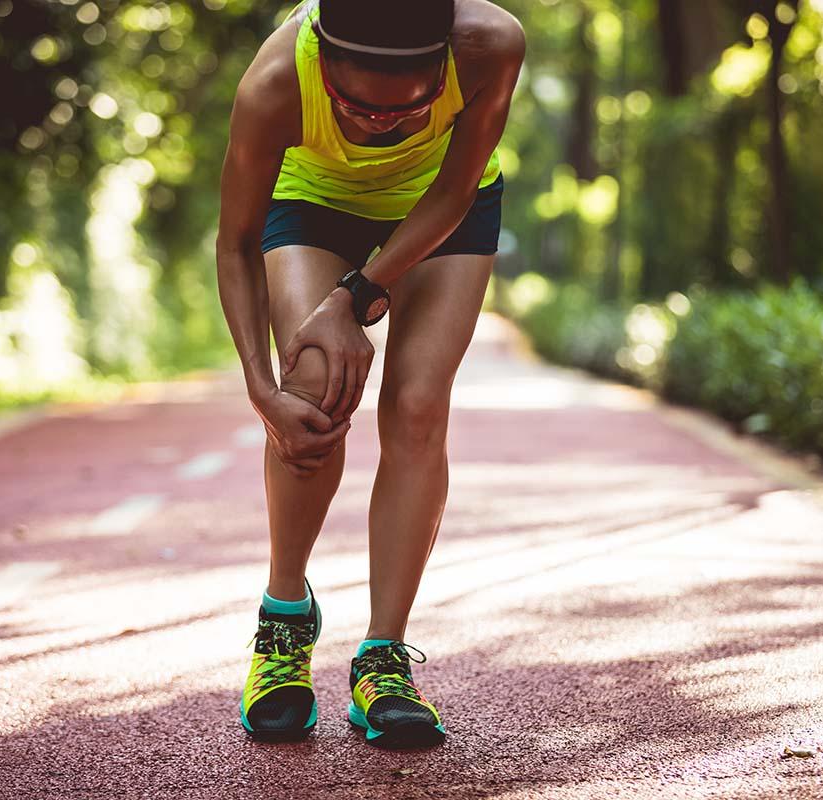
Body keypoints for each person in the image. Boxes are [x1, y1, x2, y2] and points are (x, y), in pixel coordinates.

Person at [215, 0, 524, 748]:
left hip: (440, 212)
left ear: (442, 67)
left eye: (407, 110)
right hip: (315, 202)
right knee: (313, 389)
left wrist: (353, 295)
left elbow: (454, 191)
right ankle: (285, 620)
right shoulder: (276, 82)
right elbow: (235, 241)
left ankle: (383, 657)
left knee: (418, 404)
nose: (378, 125)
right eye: (356, 108)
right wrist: (262, 391)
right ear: (323, 61)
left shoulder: (492, 46)